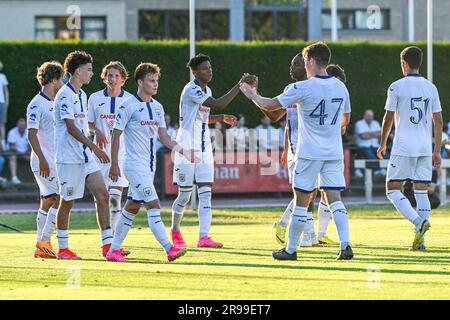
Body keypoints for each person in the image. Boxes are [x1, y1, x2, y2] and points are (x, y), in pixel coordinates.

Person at [240, 41, 353, 261]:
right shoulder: (341, 86)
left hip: (309, 152)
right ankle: (346, 245)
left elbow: (270, 106)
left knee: (301, 200)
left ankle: (291, 250)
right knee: (335, 199)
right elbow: (345, 119)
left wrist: (252, 95)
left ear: (310, 61)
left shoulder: (302, 87)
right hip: (334, 152)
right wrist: (332, 131)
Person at [106, 62, 198, 262]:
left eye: (156, 80)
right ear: (140, 82)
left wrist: (184, 151)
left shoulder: (157, 107)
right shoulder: (127, 105)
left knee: (131, 207)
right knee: (154, 204)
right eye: (151, 80)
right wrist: (114, 164)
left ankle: (113, 250)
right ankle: (169, 248)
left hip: (148, 168)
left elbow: (164, 138)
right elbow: (115, 135)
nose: (155, 84)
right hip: (133, 165)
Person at [171, 53, 255, 250]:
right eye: (205, 68)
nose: (210, 71)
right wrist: (240, 85)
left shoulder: (205, 89)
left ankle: (204, 237)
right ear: (194, 72)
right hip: (186, 146)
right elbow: (217, 103)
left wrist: (221, 117)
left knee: (206, 192)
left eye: (210, 67)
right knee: (185, 196)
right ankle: (175, 230)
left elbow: (203, 116)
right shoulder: (191, 89)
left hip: (204, 146)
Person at [377, 46, 443, 251]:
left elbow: (388, 118)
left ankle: (418, 222)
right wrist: (437, 150)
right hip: (424, 146)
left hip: (403, 146)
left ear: (404, 63)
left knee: (392, 189)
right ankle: (420, 242)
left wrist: (382, 143)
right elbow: (438, 121)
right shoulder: (431, 87)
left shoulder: (396, 86)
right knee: (421, 191)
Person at [52, 51, 112, 260]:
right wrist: (95, 147)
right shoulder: (64, 95)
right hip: (68, 158)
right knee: (67, 202)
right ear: (78, 71)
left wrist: (96, 133)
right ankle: (63, 249)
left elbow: (82, 126)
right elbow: (70, 127)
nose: (92, 74)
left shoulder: (82, 95)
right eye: (88, 70)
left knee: (103, 195)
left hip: (85, 157)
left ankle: (108, 246)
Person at [88, 61, 132, 235]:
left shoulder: (130, 100)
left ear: (123, 79)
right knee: (101, 198)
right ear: (105, 77)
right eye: (109, 75)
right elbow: (87, 123)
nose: (112, 79)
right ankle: (106, 236)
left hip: (121, 155)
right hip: (99, 156)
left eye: (116, 76)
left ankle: (114, 238)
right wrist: (96, 130)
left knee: (115, 199)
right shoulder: (94, 98)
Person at [28, 61, 64, 258]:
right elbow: (31, 134)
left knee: (48, 200)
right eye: (61, 79)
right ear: (54, 79)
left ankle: (42, 245)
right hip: (44, 161)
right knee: (62, 197)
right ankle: (43, 241)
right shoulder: (36, 103)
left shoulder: (55, 102)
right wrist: (42, 159)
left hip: (52, 160)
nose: (63, 83)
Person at [354, 109, 384, 177]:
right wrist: (374, 134)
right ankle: (378, 170)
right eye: (368, 115)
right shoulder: (359, 123)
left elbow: (380, 134)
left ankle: (381, 170)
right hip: (363, 146)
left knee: (384, 154)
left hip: (375, 145)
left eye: (371, 116)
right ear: (364, 116)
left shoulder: (376, 123)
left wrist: (368, 134)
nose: (370, 117)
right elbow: (363, 136)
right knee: (370, 154)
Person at [7, 118, 29, 185]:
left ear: (26, 125)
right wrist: (23, 155)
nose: (22, 126)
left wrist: (28, 153)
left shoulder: (29, 132)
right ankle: (14, 178)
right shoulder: (12, 132)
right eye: (20, 125)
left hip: (26, 153)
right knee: (12, 156)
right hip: (14, 153)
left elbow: (31, 146)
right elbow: (12, 148)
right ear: (17, 125)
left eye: (23, 125)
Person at [0, 61, 9, 147]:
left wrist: (7, 102)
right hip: (2, 103)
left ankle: (3, 143)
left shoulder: (2, 76)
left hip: (2, 103)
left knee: (2, 124)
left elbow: (6, 90)